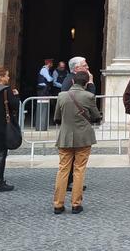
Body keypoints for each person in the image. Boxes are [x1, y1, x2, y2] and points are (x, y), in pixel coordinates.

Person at [53, 71, 101, 215]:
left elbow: (57, 117)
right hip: (83, 137)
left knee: (63, 169)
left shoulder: (62, 96)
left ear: (73, 82)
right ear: (86, 83)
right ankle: (76, 204)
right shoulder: (89, 96)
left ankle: (58, 204)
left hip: (65, 136)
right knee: (79, 170)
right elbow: (96, 116)